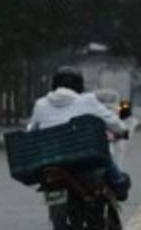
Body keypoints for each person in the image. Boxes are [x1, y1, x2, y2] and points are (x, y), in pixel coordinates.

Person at [28, 66, 131, 201]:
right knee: (105, 158)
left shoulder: (40, 104)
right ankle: (119, 186)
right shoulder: (87, 100)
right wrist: (123, 130)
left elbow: (31, 131)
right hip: (83, 159)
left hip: (51, 159)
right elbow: (112, 121)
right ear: (79, 85)